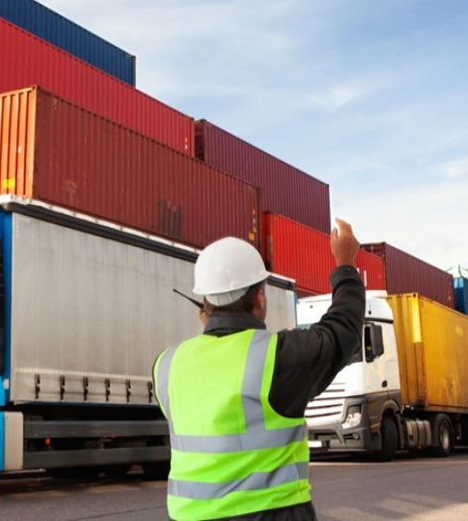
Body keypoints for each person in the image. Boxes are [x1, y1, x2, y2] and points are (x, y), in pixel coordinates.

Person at [153, 218, 366, 521]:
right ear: (259, 298)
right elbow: (341, 330)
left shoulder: (167, 365)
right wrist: (345, 264)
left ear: (205, 304)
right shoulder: (278, 357)